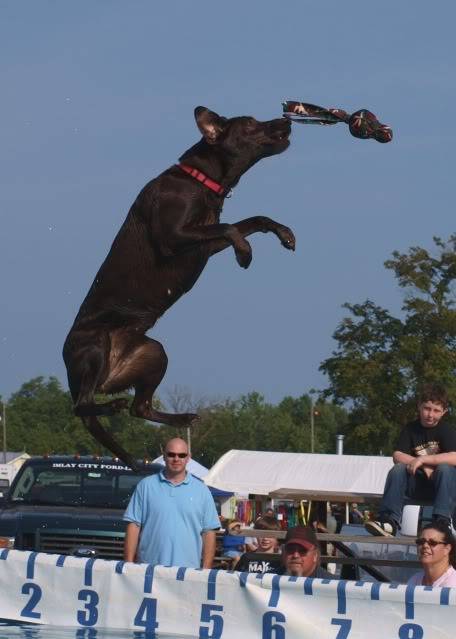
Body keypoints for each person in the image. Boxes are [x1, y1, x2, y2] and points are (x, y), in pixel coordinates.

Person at [366, 385, 456, 537]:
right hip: (418, 486)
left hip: (444, 489)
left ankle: (442, 521)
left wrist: (424, 460)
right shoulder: (410, 429)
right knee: (398, 469)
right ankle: (389, 521)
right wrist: (422, 464)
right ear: (419, 406)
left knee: (445, 469)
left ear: (444, 412)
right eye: (427, 408)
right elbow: (397, 455)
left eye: (436, 411)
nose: (430, 415)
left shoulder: (446, 430)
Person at [123, 437, 220, 568]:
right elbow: (133, 526)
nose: (176, 459)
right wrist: (128, 566)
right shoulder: (145, 486)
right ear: (164, 456)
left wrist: (206, 571)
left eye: (181, 455)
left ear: (188, 458)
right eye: (171, 454)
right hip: (148, 571)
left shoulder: (202, 490)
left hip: (188, 574)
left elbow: (209, 532)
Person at [407, 520, 456, 587]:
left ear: (447, 549)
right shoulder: (414, 580)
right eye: (421, 541)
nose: (425, 546)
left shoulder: (453, 586)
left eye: (432, 543)